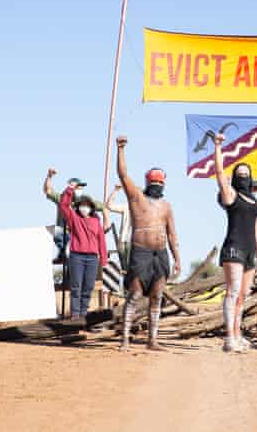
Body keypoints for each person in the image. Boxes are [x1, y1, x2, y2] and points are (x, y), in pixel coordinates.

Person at [116, 136, 181, 352]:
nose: (156, 185)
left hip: (161, 255)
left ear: (163, 184)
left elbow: (172, 234)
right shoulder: (136, 198)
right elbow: (123, 174)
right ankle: (125, 339)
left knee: (157, 296)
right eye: (153, 182)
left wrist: (178, 259)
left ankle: (152, 340)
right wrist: (121, 149)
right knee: (134, 295)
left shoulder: (167, 206)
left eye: (159, 182)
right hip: (141, 253)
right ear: (146, 183)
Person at [212, 132, 257, 352]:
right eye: (239, 173)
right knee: (232, 293)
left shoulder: (254, 201)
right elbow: (219, 173)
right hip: (233, 248)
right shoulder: (230, 195)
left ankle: (238, 333)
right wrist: (218, 148)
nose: (243, 176)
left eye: (246, 173)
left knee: (243, 295)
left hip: (250, 252)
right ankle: (228, 338)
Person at [59, 183, 108, 321]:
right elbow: (63, 206)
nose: (84, 208)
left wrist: (104, 259)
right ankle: (75, 315)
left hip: (92, 258)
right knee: (76, 287)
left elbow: (101, 241)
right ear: (78, 207)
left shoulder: (96, 222)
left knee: (88, 287)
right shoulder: (74, 218)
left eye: (87, 205)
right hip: (76, 257)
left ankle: (83, 314)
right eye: (81, 205)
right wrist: (70, 190)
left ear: (91, 208)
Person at [44, 170, 99, 263]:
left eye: (81, 188)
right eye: (77, 187)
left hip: (80, 233)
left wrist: (106, 219)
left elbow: (104, 207)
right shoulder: (62, 197)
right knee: (58, 231)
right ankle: (62, 253)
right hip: (65, 232)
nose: (79, 190)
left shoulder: (86, 200)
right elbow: (48, 190)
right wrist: (49, 177)